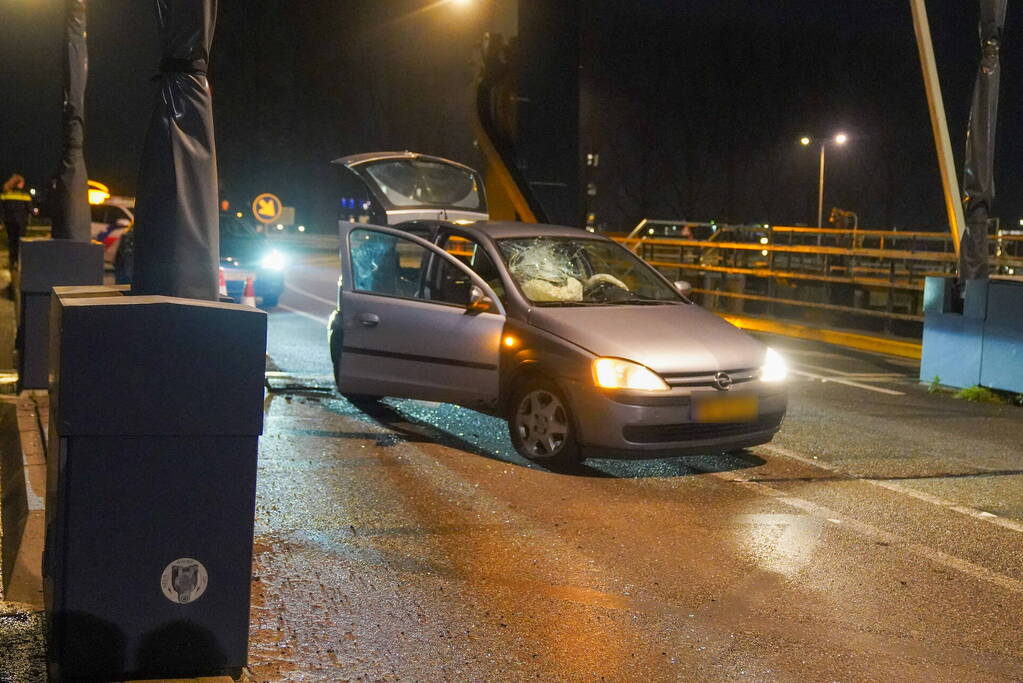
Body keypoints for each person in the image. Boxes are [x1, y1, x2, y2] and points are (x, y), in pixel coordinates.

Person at [1, 174, 33, 267]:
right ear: (19, 183)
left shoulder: (5, 194)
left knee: (11, 240)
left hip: (9, 221)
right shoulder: (24, 195)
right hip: (21, 222)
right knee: (20, 241)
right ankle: (18, 260)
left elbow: (2, 208)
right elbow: (30, 208)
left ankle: (11, 260)